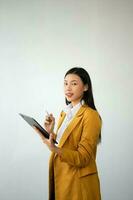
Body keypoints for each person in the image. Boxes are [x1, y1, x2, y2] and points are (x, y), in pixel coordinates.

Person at [34, 67, 102, 200]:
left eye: (74, 83)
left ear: (86, 87)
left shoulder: (90, 115)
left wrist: (54, 148)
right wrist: (50, 132)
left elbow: (83, 157)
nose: (68, 88)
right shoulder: (65, 113)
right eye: (65, 83)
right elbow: (65, 145)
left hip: (79, 183)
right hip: (63, 178)